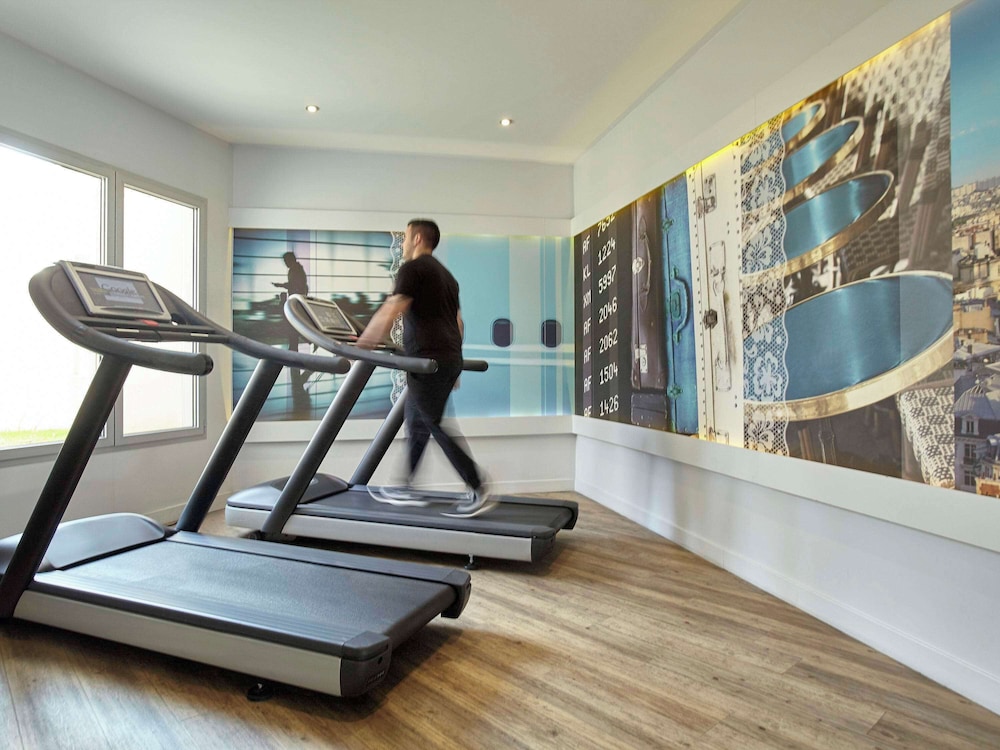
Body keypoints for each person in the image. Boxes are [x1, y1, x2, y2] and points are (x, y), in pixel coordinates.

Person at [357, 219, 494, 517]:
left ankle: (477, 484)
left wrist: (362, 345)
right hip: (445, 358)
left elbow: (392, 309)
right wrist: (454, 364)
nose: (404, 244)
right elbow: (458, 323)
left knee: (432, 422)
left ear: (418, 238)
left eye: (406, 237)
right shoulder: (447, 277)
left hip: (426, 361)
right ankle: (404, 486)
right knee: (416, 422)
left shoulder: (413, 270)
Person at [273, 252, 308, 353]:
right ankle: (294, 347)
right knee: (293, 325)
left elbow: (294, 284)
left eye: (286, 261)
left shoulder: (296, 270)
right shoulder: (296, 269)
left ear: (290, 260)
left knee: (293, 325)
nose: (285, 263)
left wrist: (280, 285)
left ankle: (297, 345)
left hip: (296, 301)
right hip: (296, 300)